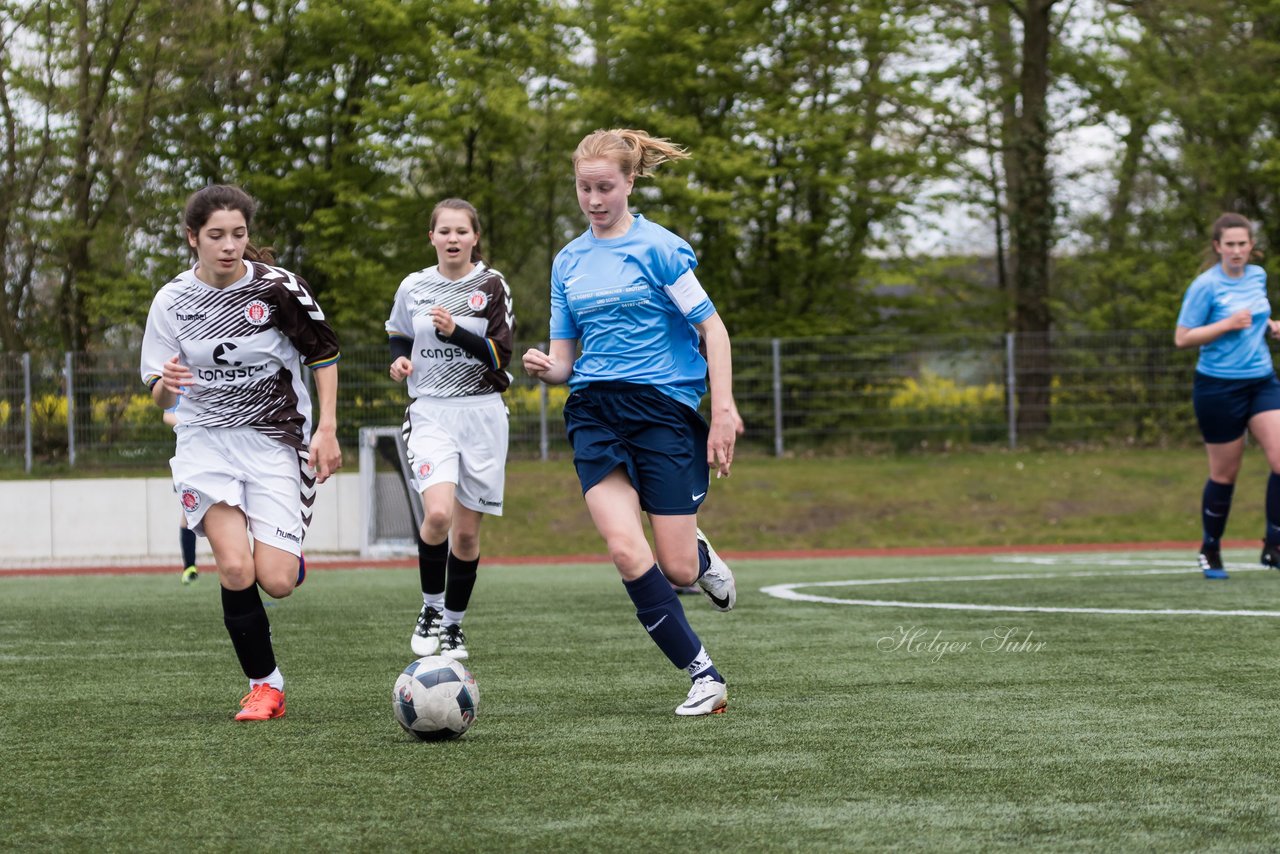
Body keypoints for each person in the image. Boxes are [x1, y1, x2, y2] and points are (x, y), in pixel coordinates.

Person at [522, 128, 738, 717]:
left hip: (661, 410)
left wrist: (723, 411)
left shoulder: (661, 249)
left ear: (629, 182)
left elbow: (712, 330)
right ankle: (703, 675)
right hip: (593, 410)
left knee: (676, 567)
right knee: (624, 549)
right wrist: (548, 368)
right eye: (583, 188)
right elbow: (566, 359)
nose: (593, 200)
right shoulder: (567, 262)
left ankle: (698, 555)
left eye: (605, 187)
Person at [140, 184, 342, 721]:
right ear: (192, 238)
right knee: (234, 567)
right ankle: (265, 686)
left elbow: (323, 355)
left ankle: (286, 553)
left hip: (274, 439)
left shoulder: (279, 290)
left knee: (275, 581)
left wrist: (328, 428)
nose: (229, 245)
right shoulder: (171, 300)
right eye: (216, 236)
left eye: (238, 234)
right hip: (204, 441)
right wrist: (168, 382)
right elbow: (158, 388)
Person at [386, 198, 514, 662]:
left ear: (475, 237)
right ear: (432, 237)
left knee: (465, 535)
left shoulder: (491, 285)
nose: (453, 238)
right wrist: (399, 359)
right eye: (445, 231)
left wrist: (458, 330)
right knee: (437, 516)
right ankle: (431, 608)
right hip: (431, 413)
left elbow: (502, 356)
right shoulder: (414, 286)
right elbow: (399, 332)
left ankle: (455, 626)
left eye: (462, 231)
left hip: (481, 413)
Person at [1175, 212, 1280, 580]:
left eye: (1242, 244)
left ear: (1252, 246)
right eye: (1229, 244)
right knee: (1225, 474)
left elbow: (1255, 316)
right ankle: (1210, 547)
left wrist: (1270, 327)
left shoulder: (1257, 276)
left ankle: (1274, 545)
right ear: (1218, 246)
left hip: (1261, 381)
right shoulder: (1205, 285)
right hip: (1218, 387)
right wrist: (1225, 325)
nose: (1237, 251)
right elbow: (1183, 337)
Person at [163, 403, 199, 584]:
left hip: (226, 453)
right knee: (188, 513)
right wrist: (195, 422)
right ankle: (189, 568)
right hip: (190, 457)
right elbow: (167, 415)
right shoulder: (182, 379)